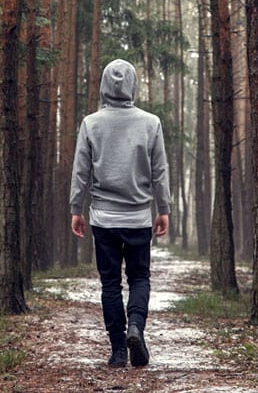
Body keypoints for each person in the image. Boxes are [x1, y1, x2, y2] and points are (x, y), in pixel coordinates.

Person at [70, 58, 171, 369]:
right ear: (133, 86)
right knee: (140, 277)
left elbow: (81, 172)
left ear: (103, 87)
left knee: (110, 284)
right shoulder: (150, 122)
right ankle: (136, 327)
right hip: (139, 218)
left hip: (103, 219)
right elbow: (159, 171)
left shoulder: (91, 123)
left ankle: (117, 351)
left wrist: (77, 208)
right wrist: (163, 208)